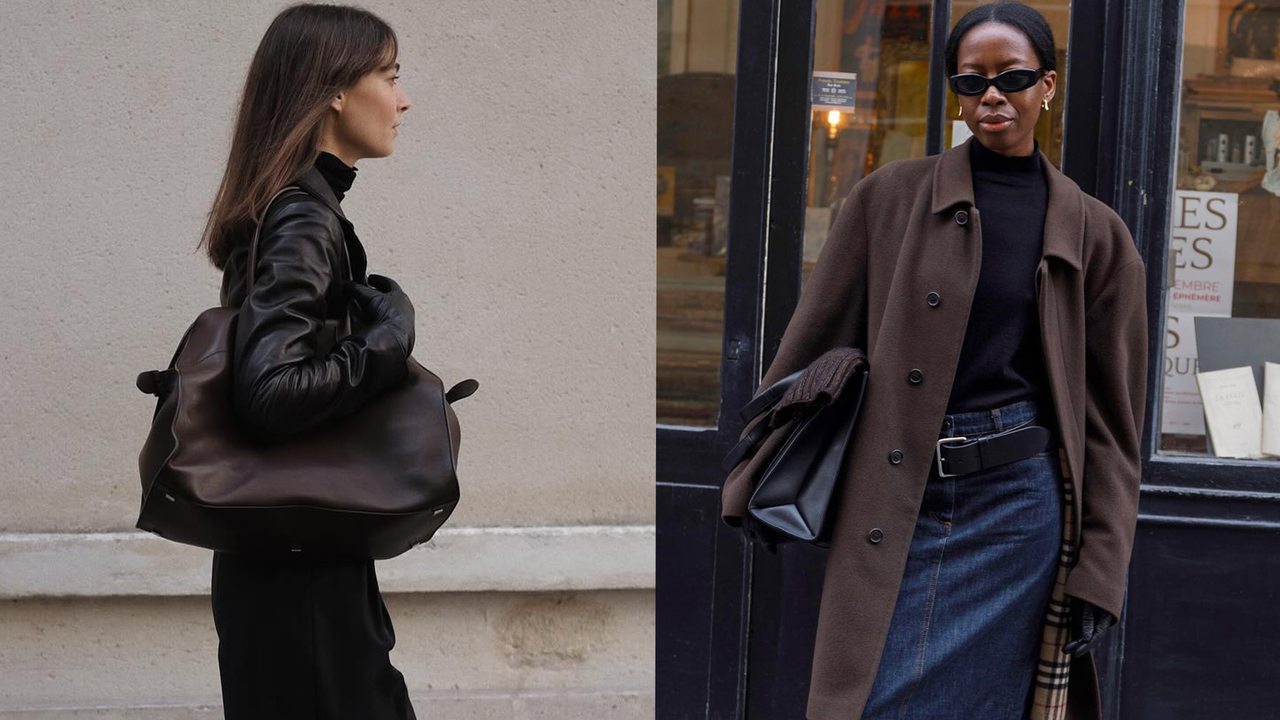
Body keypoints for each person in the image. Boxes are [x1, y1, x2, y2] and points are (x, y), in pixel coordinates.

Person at [719, 3, 1148, 720]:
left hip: (1020, 509)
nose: (991, 96)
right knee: (876, 699)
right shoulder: (888, 198)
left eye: (1012, 77)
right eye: (971, 80)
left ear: (1048, 86)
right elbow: (813, 339)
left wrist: (1100, 572)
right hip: (897, 489)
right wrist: (753, 472)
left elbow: (1112, 425)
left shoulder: (1095, 234)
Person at [196, 4, 417, 718]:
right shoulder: (303, 216)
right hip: (303, 579)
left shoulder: (295, 207)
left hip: (288, 554)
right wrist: (385, 344)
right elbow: (271, 391)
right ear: (335, 91)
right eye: (389, 75)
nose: (403, 98)